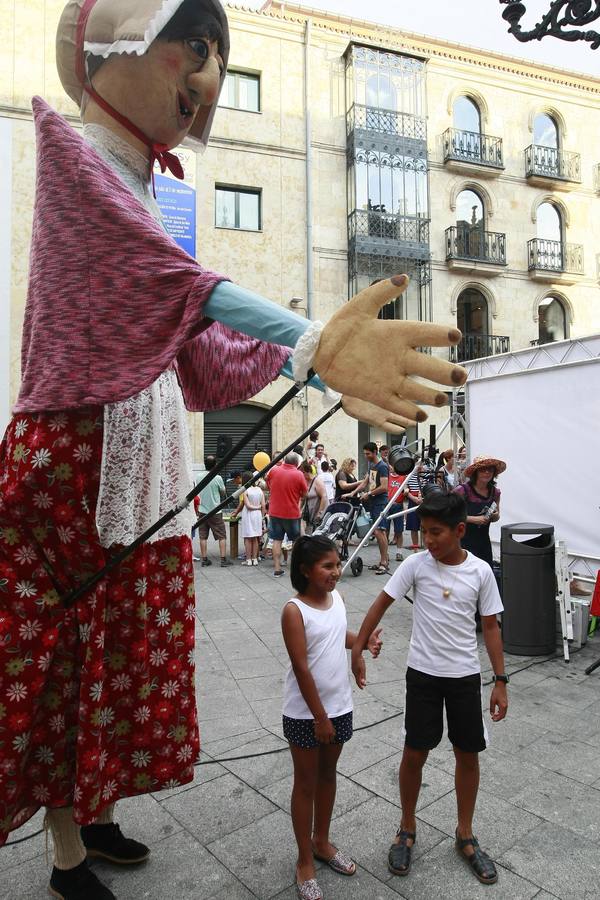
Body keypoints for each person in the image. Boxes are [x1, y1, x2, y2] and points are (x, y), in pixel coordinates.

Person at [0, 0, 466, 889]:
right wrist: (311, 341)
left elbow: (193, 343)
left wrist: (316, 362)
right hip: (77, 451)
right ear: (118, 46)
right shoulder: (78, 163)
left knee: (120, 646)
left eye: (217, 54)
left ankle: (96, 814)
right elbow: (179, 284)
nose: (206, 75)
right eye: (195, 46)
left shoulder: (140, 184)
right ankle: (64, 848)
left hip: (136, 454)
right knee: (67, 655)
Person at [351, 492, 507, 887]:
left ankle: (465, 833)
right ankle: (406, 827)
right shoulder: (416, 566)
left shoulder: (481, 572)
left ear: (459, 531)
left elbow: (491, 626)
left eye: (436, 533)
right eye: (424, 531)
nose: (428, 540)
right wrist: (358, 648)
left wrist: (500, 681)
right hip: (422, 674)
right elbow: (380, 604)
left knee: (467, 754)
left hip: (464, 678)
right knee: (414, 751)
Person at [281, 536, 382, 900]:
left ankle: (322, 841)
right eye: (327, 566)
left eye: (337, 564)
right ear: (306, 571)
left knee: (328, 775)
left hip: (340, 707)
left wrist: (363, 642)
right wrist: (319, 717)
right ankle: (304, 859)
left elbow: (338, 636)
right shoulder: (294, 610)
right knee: (305, 782)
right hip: (306, 714)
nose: (336, 572)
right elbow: (301, 667)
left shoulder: (337, 598)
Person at [454, 456, 505, 568]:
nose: (487, 472)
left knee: (484, 574)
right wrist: (474, 519)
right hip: (462, 542)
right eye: (483, 469)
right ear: (475, 472)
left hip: (483, 542)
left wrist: (494, 516)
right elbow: (448, 515)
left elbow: (497, 517)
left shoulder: (495, 492)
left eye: (490, 469)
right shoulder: (462, 490)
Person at [266, 452, 307, 577]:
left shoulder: (274, 471)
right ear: (296, 463)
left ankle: (277, 569)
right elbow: (305, 493)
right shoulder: (299, 474)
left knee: (277, 540)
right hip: (292, 513)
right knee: (295, 540)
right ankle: (295, 567)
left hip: (274, 512)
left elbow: (268, 485)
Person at [356, 442, 390, 574]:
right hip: (373, 502)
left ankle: (384, 563)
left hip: (380, 502)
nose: (366, 456)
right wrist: (352, 493)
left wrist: (369, 493)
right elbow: (366, 481)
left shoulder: (382, 466)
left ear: (375, 452)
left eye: (368, 454)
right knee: (378, 532)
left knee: (379, 532)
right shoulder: (371, 465)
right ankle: (383, 560)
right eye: (364, 453)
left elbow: (384, 487)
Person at [195, 454, 233, 567]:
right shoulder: (217, 478)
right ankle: (223, 559)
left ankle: (204, 559)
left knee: (202, 536)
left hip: (202, 510)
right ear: (215, 465)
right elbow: (223, 492)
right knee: (222, 536)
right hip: (215, 511)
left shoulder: (198, 476)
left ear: (204, 465)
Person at [236, 470, 266, 566]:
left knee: (248, 538)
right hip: (257, 515)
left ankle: (248, 559)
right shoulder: (260, 490)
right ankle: (255, 559)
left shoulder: (245, 491)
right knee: (256, 537)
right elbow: (264, 505)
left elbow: (247, 505)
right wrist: (261, 513)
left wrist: (256, 507)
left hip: (248, 515)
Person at [300, 460, 328, 534]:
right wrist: (298, 509)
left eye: (301, 472)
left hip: (318, 512)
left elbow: (324, 497)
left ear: (306, 472)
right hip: (309, 513)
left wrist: (319, 513)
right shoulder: (304, 482)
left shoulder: (317, 481)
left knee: (317, 533)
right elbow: (303, 498)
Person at [386, 467, 407, 561]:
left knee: (399, 530)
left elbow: (406, 488)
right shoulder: (386, 476)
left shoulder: (403, 476)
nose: (392, 468)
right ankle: (385, 553)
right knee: (385, 530)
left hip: (398, 505)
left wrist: (406, 491)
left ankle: (399, 552)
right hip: (387, 505)